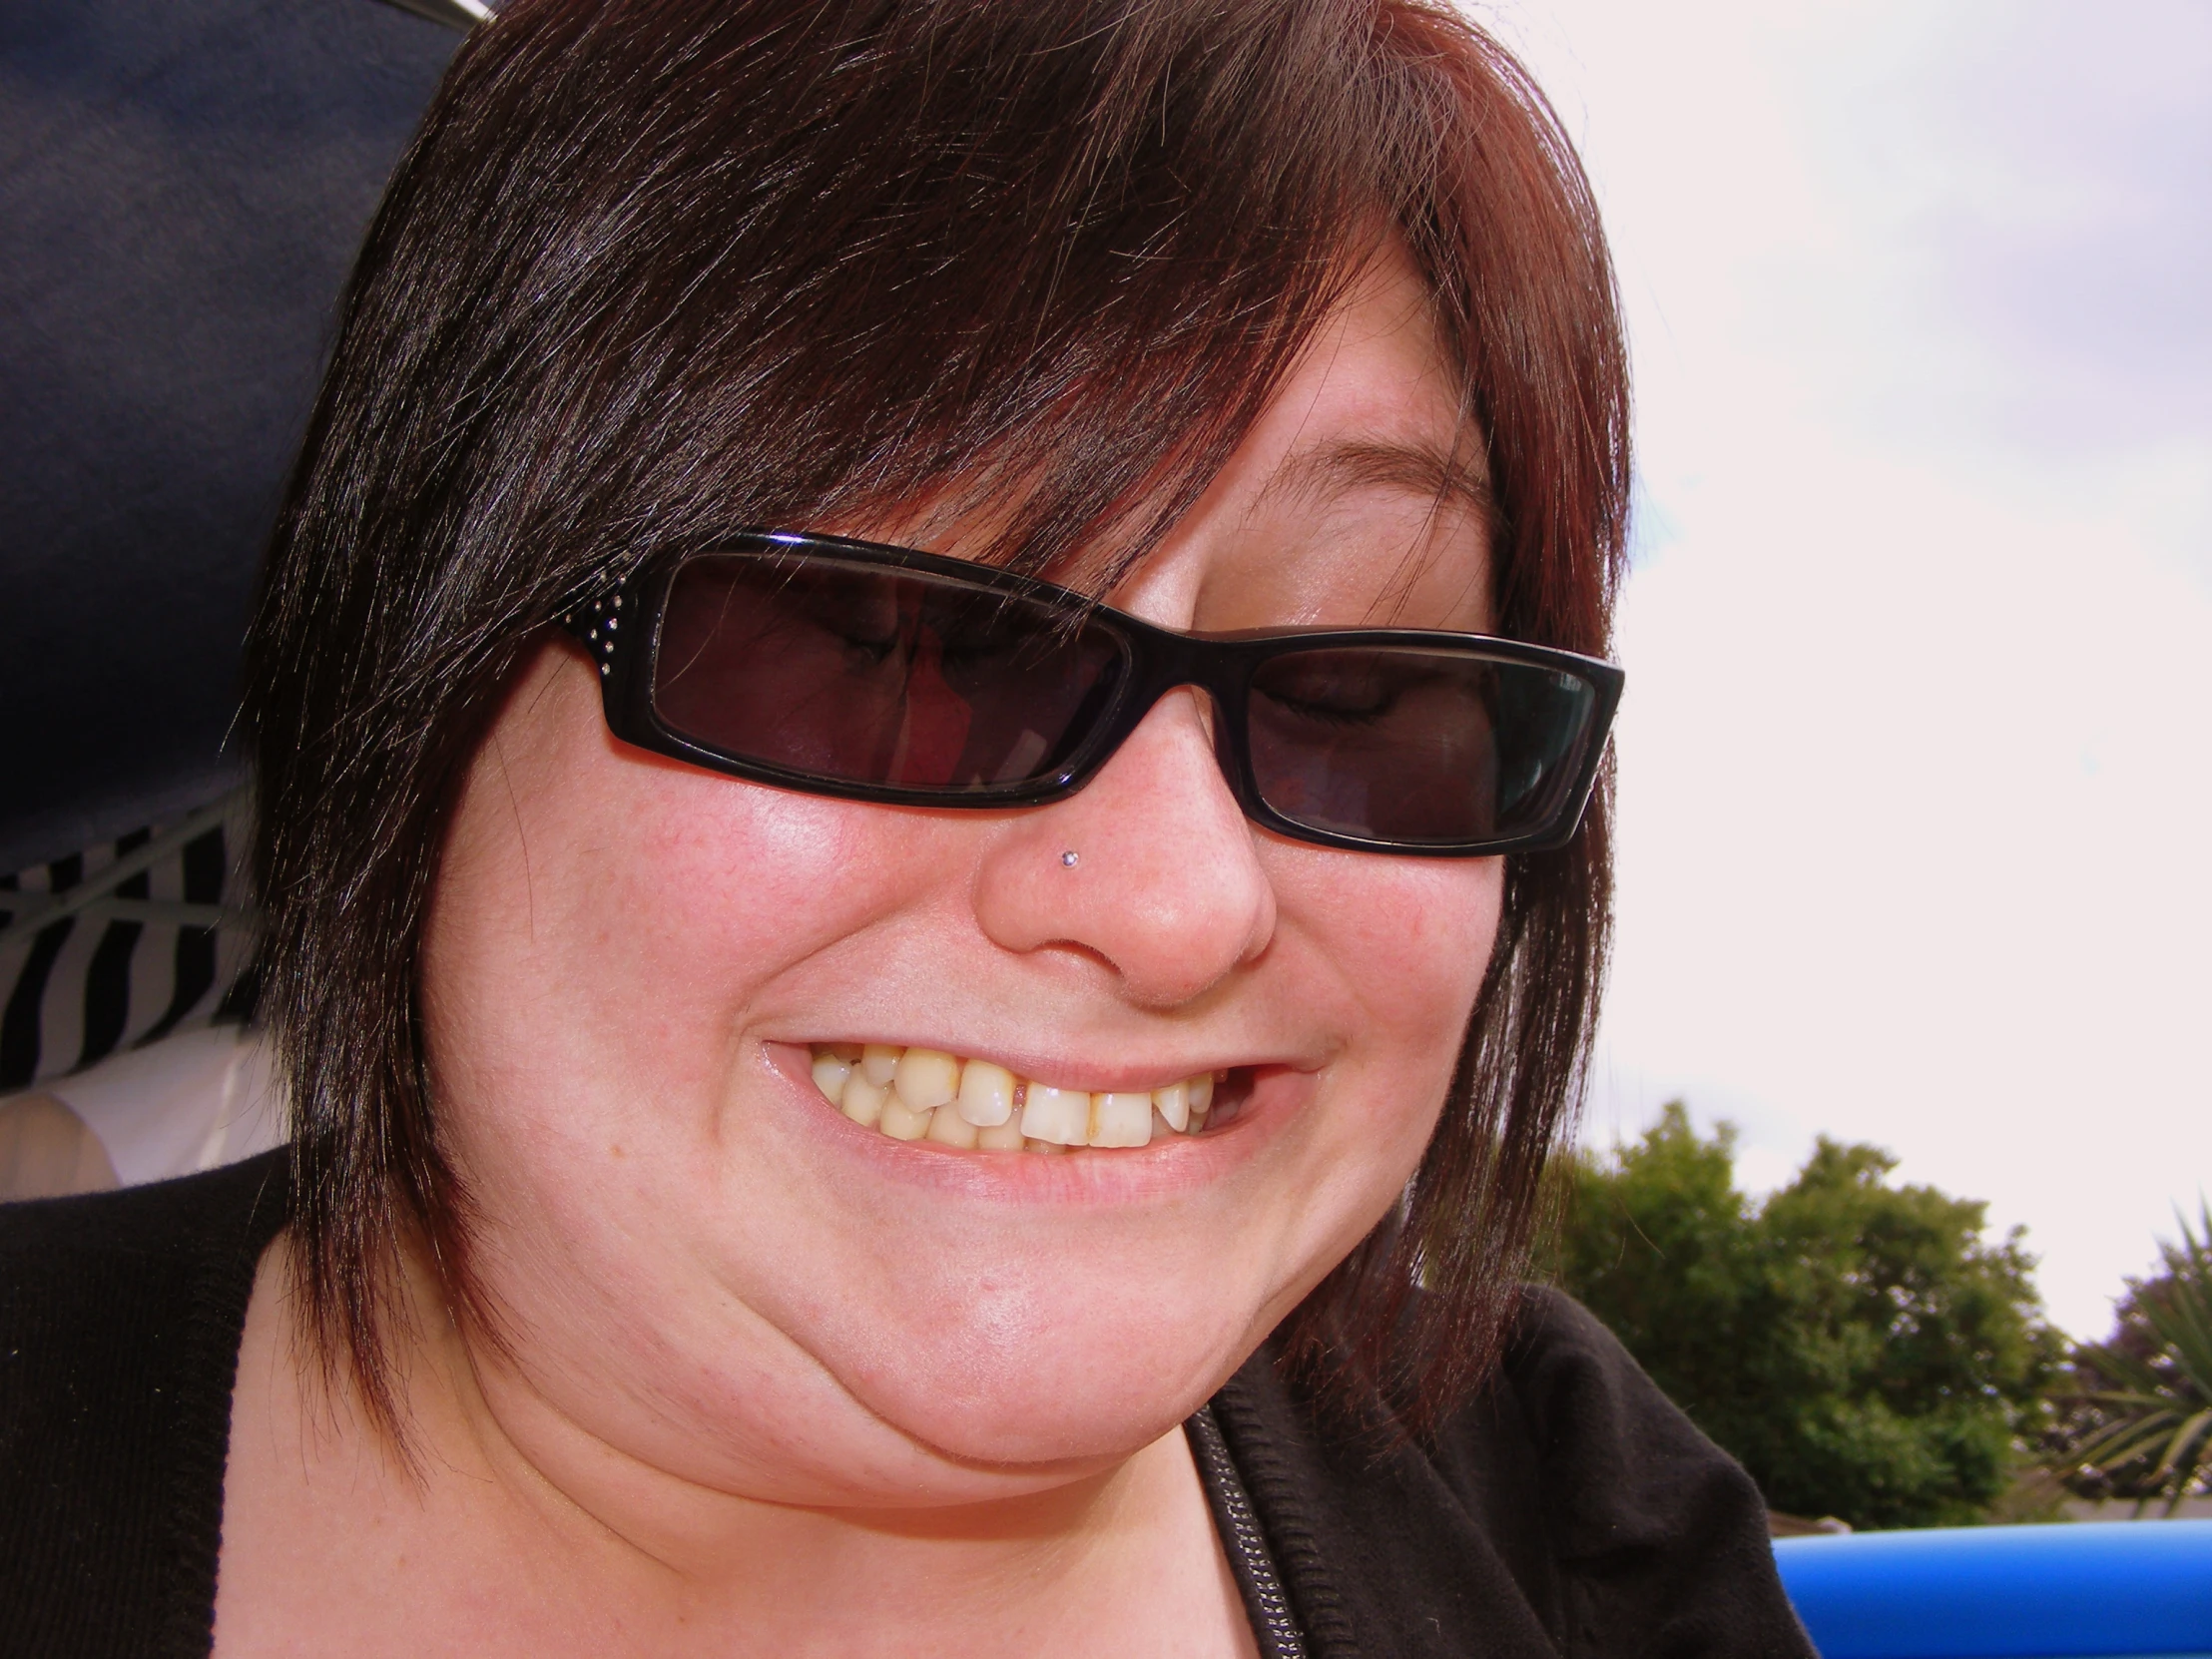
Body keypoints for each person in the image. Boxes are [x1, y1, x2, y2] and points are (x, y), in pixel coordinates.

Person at [0, 1, 1817, 1653]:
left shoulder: (1575, 1519)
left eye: (1359, 693)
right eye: (887, 637)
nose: (1181, 908)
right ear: (415, 643)